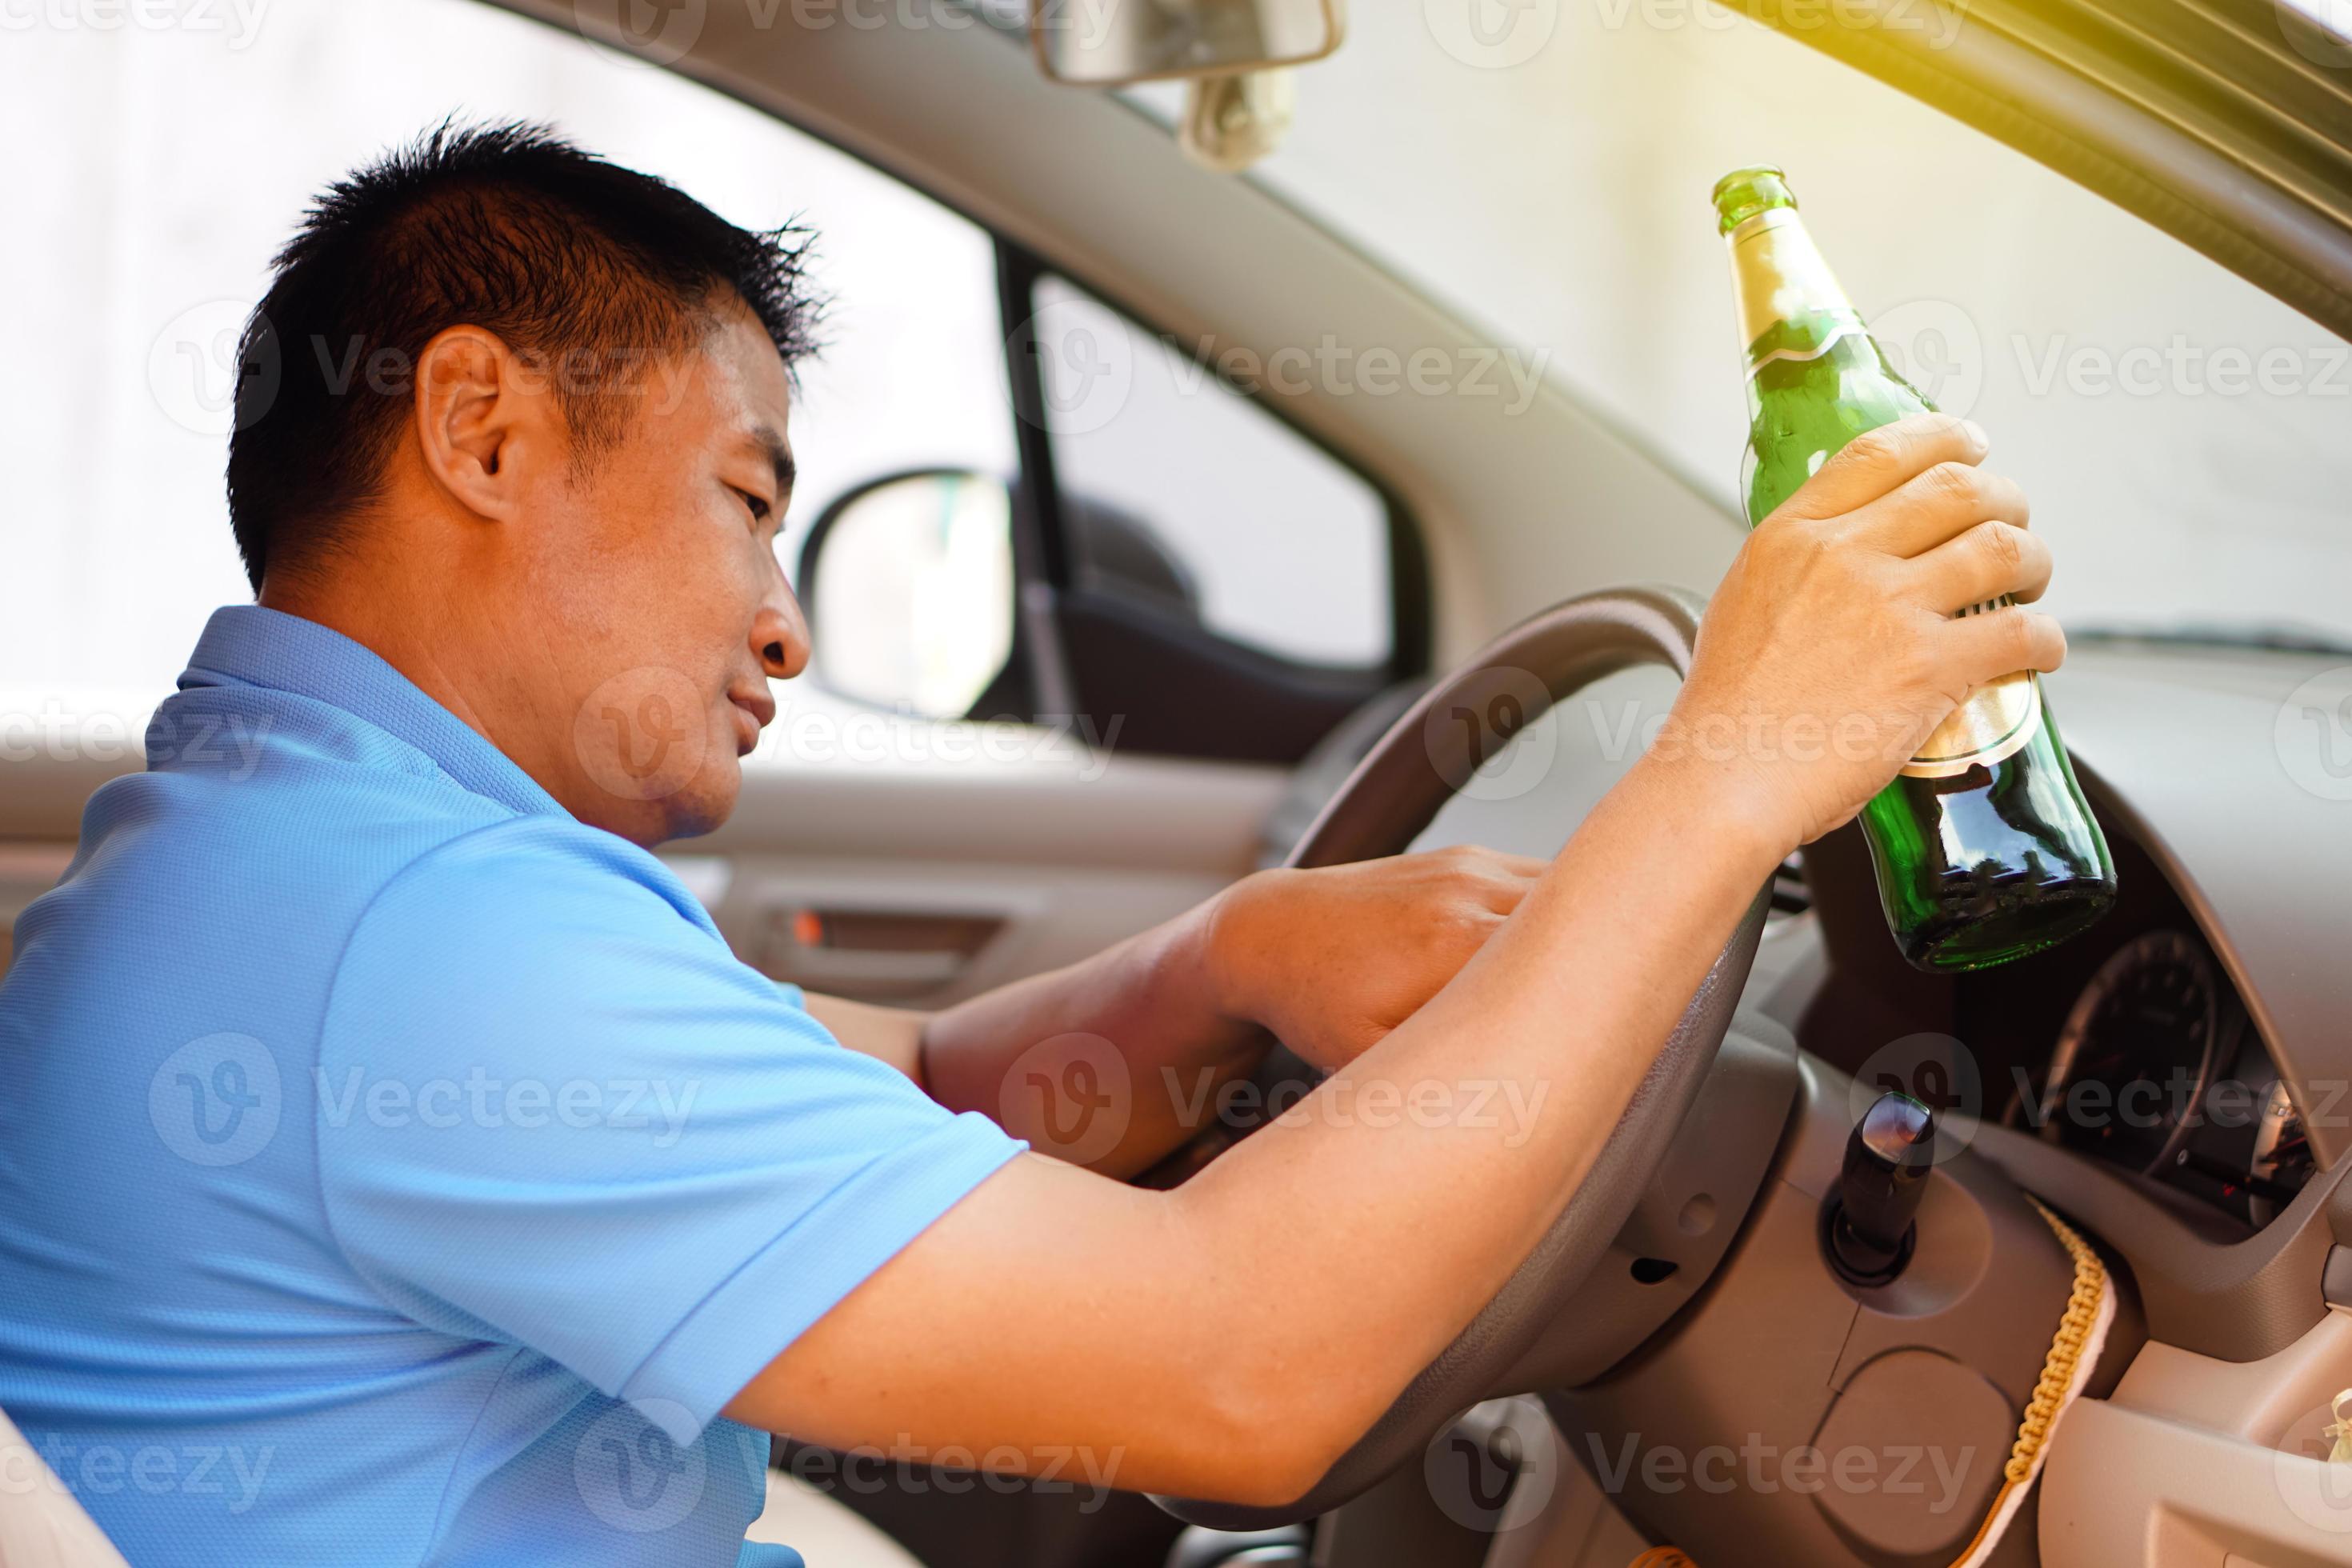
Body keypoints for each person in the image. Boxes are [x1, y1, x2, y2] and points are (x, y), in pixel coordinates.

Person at [0, 122, 2060, 1566]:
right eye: (745, 494)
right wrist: (1723, 778)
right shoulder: (424, 942)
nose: (789, 619)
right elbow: (1244, 1369)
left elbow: (910, 1083)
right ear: (479, 428)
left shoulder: (279, 864)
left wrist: (1226, 958)